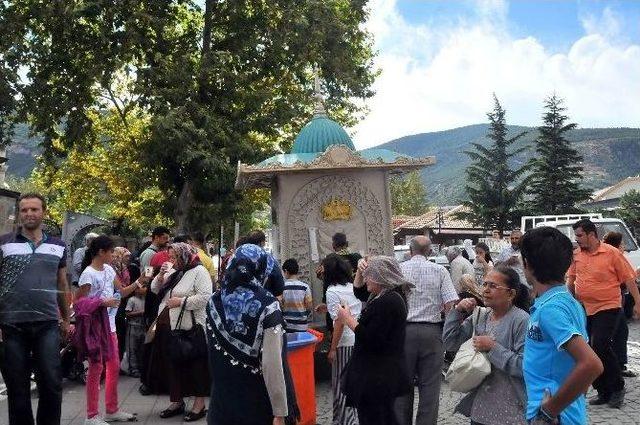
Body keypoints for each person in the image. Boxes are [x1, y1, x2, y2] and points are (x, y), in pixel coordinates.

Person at [206, 243, 299, 425]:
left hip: (221, 404)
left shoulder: (213, 301)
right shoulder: (268, 306)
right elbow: (272, 366)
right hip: (257, 405)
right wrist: (280, 413)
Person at [0, 193, 71, 425]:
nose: (29, 214)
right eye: (24, 210)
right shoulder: (4, 243)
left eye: (34, 209)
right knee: (17, 388)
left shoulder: (58, 246)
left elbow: (62, 284)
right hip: (11, 325)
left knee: (51, 384)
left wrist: (66, 319)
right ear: (19, 213)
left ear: (44, 212)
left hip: (48, 325)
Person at [521, 226, 603, 424]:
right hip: (567, 412)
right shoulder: (567, 301)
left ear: (527, 264)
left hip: (555, 417)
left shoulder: (551, 310)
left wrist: (548, 412)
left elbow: (591, 364)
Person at [443, 266, 530, 425]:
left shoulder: (521, 320)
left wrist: (492, 347)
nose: (486, 290)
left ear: (510, 293)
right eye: (484, 284)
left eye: (493, 286)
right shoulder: (481, 316)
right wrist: (458, 312)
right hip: (480, 410)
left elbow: (524, 366)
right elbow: (450, 342)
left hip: (511, 413)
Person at [567, 219, 640, 408]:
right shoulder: (577, 254)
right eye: (576, 236)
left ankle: (617, 387)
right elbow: (571, 279)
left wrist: (638, 303)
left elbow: (629, 279)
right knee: (588, 350)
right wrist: (571, 302)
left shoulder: (612, 253)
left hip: (608, 306)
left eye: (580, 235)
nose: (577, 239)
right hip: (584, 308)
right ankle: (603, 390)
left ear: (592, 235)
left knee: (599, 345)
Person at [337, 255, 413, 425]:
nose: (365, 279)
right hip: (380, 374)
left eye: (369, 275)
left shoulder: (388, 301)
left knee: (376, 419)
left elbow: (372, 339)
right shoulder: (386, 295)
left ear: (381, 277)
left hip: (378, 376)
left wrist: (347, 319)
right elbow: (359, 291)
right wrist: (359, 270)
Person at [395, 236, 459, 425]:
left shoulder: (398, 270)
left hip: (403, 333)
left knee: (401, 386)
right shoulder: (440, 270)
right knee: (430, 388)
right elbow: (450, 303)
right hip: (432, 332)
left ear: (410, 249)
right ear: (430, 251)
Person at [76, 235, 137, 424]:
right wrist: (103, 302)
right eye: (111, 251)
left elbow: (122, 292)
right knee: (97, 368)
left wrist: (139, 282)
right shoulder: (88, 274)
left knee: (113, 367)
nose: (113, 255)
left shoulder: (109, 269)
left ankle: (111, 409)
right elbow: (78, 303)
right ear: (101, 252)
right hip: (95, 328)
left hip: (110, 326)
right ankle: (91, 415)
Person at [149, 243, 212, 421]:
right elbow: (154, 289)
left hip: (191, 327)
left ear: (185, 255)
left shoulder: (199, 271)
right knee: (173, 364)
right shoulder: (174, 270)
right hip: (169, 324)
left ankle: (199, 405)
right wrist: (160, 275)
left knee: (196, 365)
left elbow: (205, 297)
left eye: (175, 257)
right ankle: (177, 401)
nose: (171, 260)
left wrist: (181, 302)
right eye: (169, 257)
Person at [323, 254, 361, 425]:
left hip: (344, 343)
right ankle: (342, 420)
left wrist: (332, 348)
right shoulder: (352, 287)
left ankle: (345, 421)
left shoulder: (331, 291)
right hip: (356, 341)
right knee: (350, 382)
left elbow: (339, 322)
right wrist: (325, 307)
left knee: (341, 384)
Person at [603, 231, 638, 378]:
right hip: (612, 303)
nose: (624, 246)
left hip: (615, 302)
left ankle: (618, 365)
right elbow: (626, 279)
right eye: (622, 243)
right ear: (617, 245)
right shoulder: (615, 256)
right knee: (616, 333)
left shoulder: (607, 255)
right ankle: (615, 367)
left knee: (619, 332)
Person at [244, 230, 285, 297]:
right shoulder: (269, 260)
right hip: (263, 302)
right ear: (262, 243)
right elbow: (279, 288)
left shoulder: (236, 257)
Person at [281, 258, 313, 332]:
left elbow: (280, 305)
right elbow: (309, 306)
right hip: (302, 325)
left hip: (287, 325)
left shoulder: (282, 287)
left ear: (285, 271)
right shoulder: (305, 287)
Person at [112, 247, 132, 360]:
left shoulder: (124, 268)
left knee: (120, 331)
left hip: (122, 300)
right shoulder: (111, 269)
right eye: (126, 256)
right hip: (114, 300)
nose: (128, 258)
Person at [123, 285, 146, 378]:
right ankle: (133, 368)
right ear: (136, 290)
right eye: (141, 287)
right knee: (132, 348)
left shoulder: (145, 300)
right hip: (133, 326)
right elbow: (127, 313)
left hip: (143, 326)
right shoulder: (132, 300)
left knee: (141, 348)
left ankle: (141, 367)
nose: (144, 289)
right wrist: (140, 312)